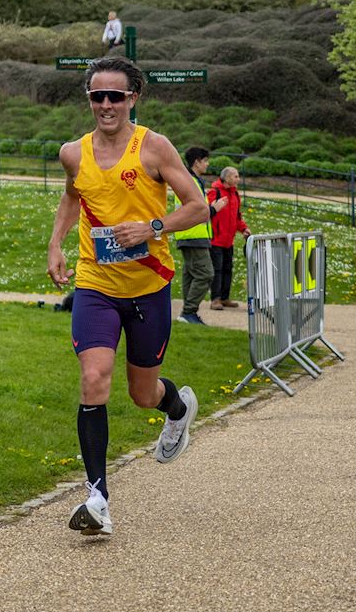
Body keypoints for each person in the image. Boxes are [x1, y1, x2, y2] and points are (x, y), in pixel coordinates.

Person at [46, 57, 208, 537]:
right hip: (95, 283)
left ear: (133, 97)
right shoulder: (73, 153)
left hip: (148, 286)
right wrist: (56, 242)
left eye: (116, 95)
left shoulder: (154, 148)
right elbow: (73, 196)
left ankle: (176, 409)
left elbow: (198, 206)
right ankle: (97, 498)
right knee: (94, 379)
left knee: (143, 394)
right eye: (98, 96)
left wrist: (153, 226)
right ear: (89, 99)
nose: (106, 105)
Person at [173, 146, 224, 325]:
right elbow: (196, 209)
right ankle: (188, 312)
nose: (208, 164)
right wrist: (213, 209)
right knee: (205, 274)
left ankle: (187, 314)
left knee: (191, 274)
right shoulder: (190, 181)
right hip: (193, 234)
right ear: (197, 162)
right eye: (205, 160)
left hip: (190, 234)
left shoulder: (190, 180)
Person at [206, 167, 249, 309]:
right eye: (235, 176)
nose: (238, 179)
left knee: (227, 269)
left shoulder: (235, 194)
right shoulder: (215, 192)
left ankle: (225, 297)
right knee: (217, 269)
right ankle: (215, 299)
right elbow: (208, 212)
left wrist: (243, 229)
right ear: (227, 178)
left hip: (228, 241)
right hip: (216, 239)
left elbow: (237, 216)